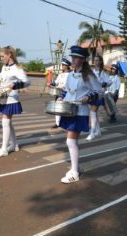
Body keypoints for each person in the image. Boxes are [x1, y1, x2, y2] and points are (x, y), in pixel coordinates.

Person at [58, 45, 101, 183]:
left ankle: (75, 172)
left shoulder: (88, 75)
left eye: (76, 57)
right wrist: (61, 97)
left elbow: (99, 92)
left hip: (80, 112)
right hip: (69, 110)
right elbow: (67, 90)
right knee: (72, 141)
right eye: (73, 57)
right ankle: (76, 167)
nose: (73, 59)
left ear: (82, 60)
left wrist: (88, 98)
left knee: (70, 141)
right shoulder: (70, 74)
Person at [0, 46, 30, 157]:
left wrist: (15, 85)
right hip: (4, 97)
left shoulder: (17, 68)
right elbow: (0, 78)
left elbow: (27, 82)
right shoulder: (5, 67)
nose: (1, 59)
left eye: (2, 56)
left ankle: (4, 148)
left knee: (5, 121)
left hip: (12, 98)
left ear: (9, 55)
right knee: (8, 122)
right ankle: (14, 144)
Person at [86, 55, 111, 140]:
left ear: (100, 62)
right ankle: (98, 130)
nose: (96, 62)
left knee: (92, 112)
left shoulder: (103, 72)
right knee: (94, 113)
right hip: (92, 94)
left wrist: (105, 83)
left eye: (97, 60)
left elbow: (109, 81)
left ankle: (92, 132)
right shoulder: (92, 72)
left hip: (99, 94)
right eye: (95, 60)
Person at [51, 58, 71, 129]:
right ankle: (57, 123)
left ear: (67, 66)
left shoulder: (70, 74)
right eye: (62, 65)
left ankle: (65, 122)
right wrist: (53, 83)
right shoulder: (60, 74)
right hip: (59, 92)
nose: (62, 66)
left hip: (66, 93)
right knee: (57, 108)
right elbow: (56, 81)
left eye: (63, 65)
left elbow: (69, 84)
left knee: (65, 109)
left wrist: (63, 86)